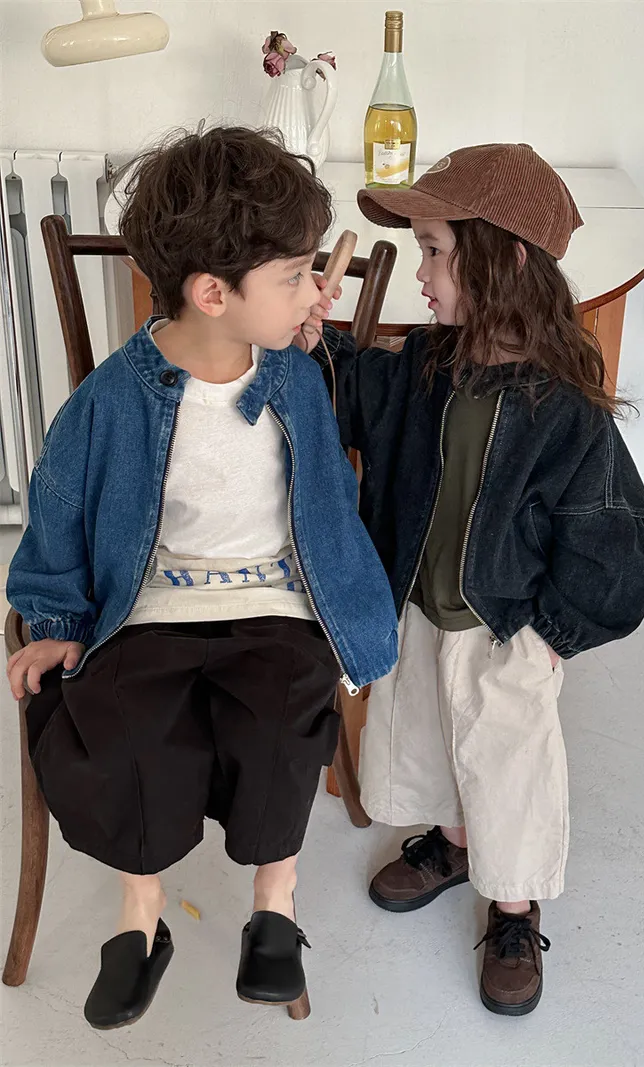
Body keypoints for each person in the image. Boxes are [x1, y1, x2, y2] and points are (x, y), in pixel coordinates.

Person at [6, 125, 397, 1029]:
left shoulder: (296, 378)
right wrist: (57, 619)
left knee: (283, 717)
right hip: (149, 606)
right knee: (120, 723)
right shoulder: (112, 398)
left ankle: (275, 900)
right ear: (214, 293)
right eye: (295, 276)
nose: (316, 292)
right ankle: (141, 912)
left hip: (275, 603)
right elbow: (58, 506)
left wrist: (297, 335)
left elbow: (329, 501)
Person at [298, 143, 644, 1017]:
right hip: (423, 608)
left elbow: (623, 550)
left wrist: (550, 633)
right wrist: (315, 346)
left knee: (508, 767)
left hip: (504, 628)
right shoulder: (429, 364)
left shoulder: (564, 410)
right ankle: (456, 844)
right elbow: (356, 393)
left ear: (504, 261)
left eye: (433, 250)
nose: (420, 273)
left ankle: (513, 910)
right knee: (430, 739)